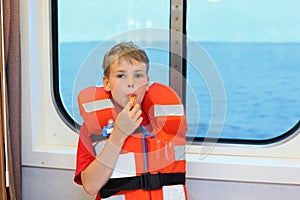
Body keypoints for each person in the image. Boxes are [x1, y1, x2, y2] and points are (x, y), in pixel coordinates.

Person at [74, 42, 188, 200]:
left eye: (138, 75)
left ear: (147, 82)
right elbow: (90, 186)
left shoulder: (163, 123)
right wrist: (119, 134)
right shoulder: (91, 128)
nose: (130, 83)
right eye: (121, 75)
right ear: (107, 83)